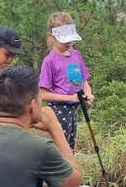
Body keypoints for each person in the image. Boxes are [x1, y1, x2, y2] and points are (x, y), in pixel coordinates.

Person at [39, 12, 93, 150]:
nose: (69, 43)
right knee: (61, 147)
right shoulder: (49, 61)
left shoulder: (76, 55)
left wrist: (88, 94)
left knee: (71, 146)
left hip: (75, 108)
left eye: (71, 39)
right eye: (64, 40)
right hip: (58, 110)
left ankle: (70, 170)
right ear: (52, 37)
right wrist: (71, 98)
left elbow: (84, 80)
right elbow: (43, 94)